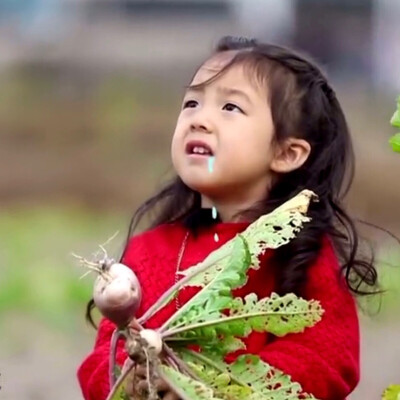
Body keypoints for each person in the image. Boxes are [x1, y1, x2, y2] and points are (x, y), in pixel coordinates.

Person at [77, 36, 379, 400]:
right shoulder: (147, 251)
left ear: (287, 153)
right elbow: (101, 358)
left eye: (230, 107)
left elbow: (326, 360)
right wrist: (133, 379)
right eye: (191, 103)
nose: (199, 120)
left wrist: (215, 388)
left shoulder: (303, 255)